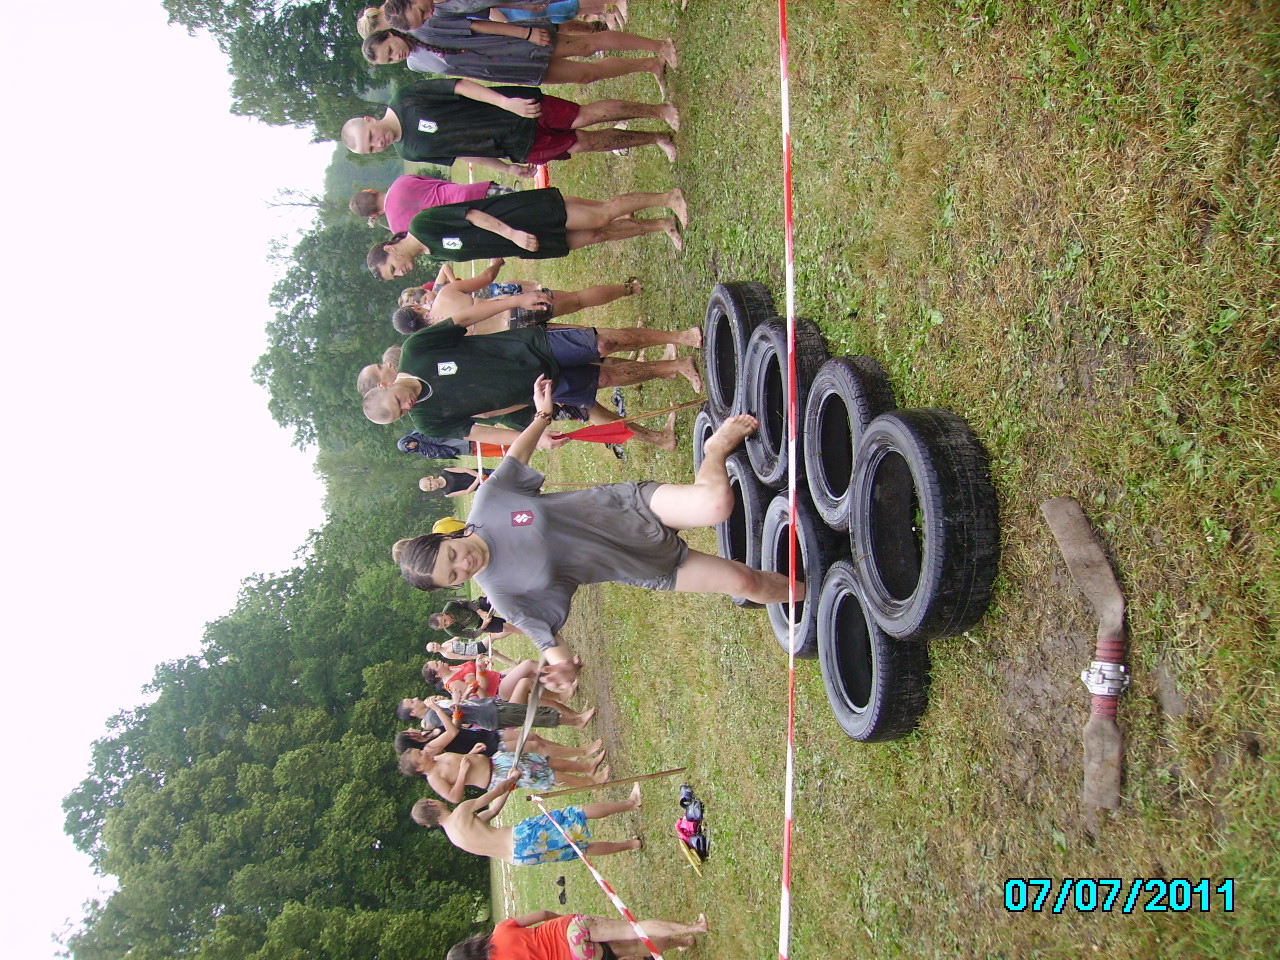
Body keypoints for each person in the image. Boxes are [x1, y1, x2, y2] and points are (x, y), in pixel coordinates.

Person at [394, 385, 803, 684]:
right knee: (745, 583)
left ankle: (714, 451)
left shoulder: (489, 503)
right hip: (644, 563)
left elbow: (516, 457)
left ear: (446, 538)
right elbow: (546, 640)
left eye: (452, 556)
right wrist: (563, 668)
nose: (464, 564)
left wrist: (542, 416)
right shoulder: (502, 593)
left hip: (628, 507)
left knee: (716, 506)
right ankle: (810, 592)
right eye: (455, 576)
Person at [358, 305, 702, 451]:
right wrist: (533, 438)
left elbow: (464, 318)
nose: (408, 406)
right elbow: (481, 432)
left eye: (398, 401)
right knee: (604, 379)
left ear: (387, 385)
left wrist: (515, 300)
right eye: (402, 413)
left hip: (528, 346)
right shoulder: (428, 421)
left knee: (604, 343)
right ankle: (675, 367)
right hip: (535, 390)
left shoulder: (415, 350)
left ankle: (680, 337)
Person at [341, 79, 679, 175]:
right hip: (515, 145)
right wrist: (506, 168)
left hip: (516, 110)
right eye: (371, 149)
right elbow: (462, 154)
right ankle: (656, 137)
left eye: (370, 137)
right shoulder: (409, 151)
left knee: (582, 116)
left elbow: (460, 86)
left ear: (370, 120)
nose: (377, 143)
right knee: (583, 143)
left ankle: (659, 111)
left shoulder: (406, 98)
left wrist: (506, 103)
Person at [368, 188, 686, 273]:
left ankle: (668, 198)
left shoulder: (420, 225)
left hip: (521, 217)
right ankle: (661, 225)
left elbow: (473, 215)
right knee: (596, 235)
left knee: (600, 217)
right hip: (525, 243)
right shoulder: (434, 255)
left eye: (393, 268)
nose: (400, 272)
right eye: (396, 275)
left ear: (389, 249)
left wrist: (512, 234)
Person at [412, 772, 644, 866]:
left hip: (521, 858)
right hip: (522, 838)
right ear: (432, 804)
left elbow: (493, 811)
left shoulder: (455, 837)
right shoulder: (461, 811)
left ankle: (632, 844)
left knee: (581, 849)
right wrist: (510, 779)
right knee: (575, 813)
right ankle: (631, 803)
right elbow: (494, 792)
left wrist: (509, 789)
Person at [361, 21, 675, 89]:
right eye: (389, 60)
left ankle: (658, 46)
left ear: (390, 35)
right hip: (512, 69)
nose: (394, 56)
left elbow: (477, 26)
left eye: (389, 50)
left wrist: (525, 34)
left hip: (515, 43)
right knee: (584, 75)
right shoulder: (416, 63)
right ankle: (649, 65)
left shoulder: (423, 26)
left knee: (586, 45)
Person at [448, 909, 709, 960]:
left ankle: (683, 942)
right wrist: (562, 920)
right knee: (633, 929)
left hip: (576, 955)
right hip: (569, 928)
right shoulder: (501, 929)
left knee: (632, 949)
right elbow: (542, 914)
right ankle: (693, 927)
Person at [350, 176, 513, 234]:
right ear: (370, 190)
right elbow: (440, 183)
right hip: (473, 193)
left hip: (467, 222)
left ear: (374, 215)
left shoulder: (397, 230)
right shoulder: (401, 181)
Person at [397, 694, 595, 730]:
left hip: (488, 707)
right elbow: (456, 728)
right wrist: (455, 702)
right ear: (413, 713)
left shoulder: (434, 708)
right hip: (489, 717)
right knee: (532, 717)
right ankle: (577, 722)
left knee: (530, 710)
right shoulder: (432, 716)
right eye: (412, 702)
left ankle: (576, 718)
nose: (416, 698)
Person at [419, 466, 495, 497]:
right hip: (481, 486)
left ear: (430, 477)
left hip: (483, 473)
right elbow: (466, 492)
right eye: (431, 488)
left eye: (430, 483)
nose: (433, 486)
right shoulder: (447, 493)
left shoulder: (446, 471)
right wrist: (478, 481)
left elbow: (464, 470)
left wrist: (479, 476)